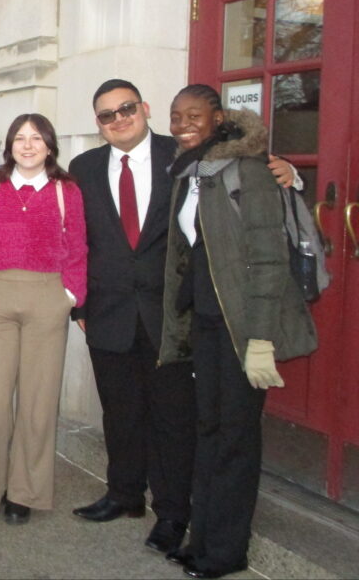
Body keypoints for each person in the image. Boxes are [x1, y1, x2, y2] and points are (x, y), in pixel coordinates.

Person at [69, 80, 300, 555]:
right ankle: (124, 493)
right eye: (107, 115)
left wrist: (290, 174)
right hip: (107, 312)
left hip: (171, 315)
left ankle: (172, 513)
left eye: (126, 109)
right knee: (120, 413)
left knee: (173, 419)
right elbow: (74, 238)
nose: (118, 120)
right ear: (98, 124)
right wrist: (81, 307)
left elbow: (245, 185)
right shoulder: (83, 167)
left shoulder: (183, 154)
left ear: (145, 109)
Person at [160, 85, 317, 579]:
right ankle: (202, 538)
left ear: (219, 117)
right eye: (176, 115)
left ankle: (227, 551)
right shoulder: (190, 172)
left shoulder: (249, 169)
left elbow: (269, 260)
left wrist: (262, 339)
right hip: (206, 323)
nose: (184, 123)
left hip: (245, 328)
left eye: (195, 115)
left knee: (236, 438)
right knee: (209, 431)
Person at [0, 113, 87, 525]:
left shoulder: (67, 190)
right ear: (9, 145)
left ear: (50, 146)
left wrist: (69, 296)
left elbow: (79, 245)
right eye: (20, 138)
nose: (28, 145)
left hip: (47, 299)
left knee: (38, 403)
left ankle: (24, 493)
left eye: (37, 138)